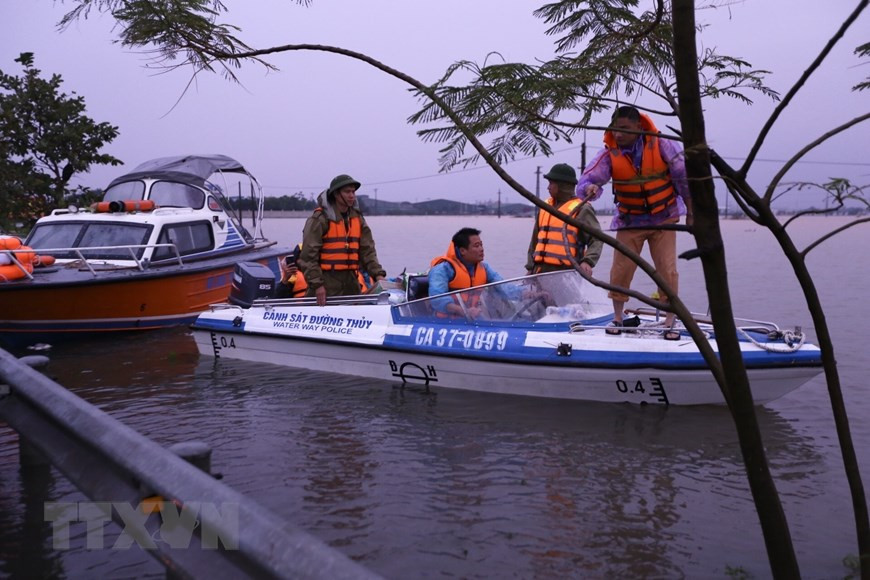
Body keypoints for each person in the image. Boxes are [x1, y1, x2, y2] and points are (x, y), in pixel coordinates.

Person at [577, 105, 693, 339]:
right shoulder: (609, 153)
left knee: (667, 269)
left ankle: (670, 320)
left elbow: (683, 178)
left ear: (639, 127)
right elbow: (589, 179)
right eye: (615, 129)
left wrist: (691, 212)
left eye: (625, 129)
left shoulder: (663, 145)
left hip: (664, 219)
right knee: (621, 270)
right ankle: (618, 317)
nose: (619, 134)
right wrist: (590, 188)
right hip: (630, 220)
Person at [298, 174, 386, 306]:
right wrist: (317, 285)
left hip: (351, 283)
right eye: (347, 192)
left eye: (353, 192)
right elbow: (308, 256)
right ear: (336, 194)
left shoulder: (358, 219)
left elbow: (368, 252)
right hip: (326, 282)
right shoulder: (319, 219)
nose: (352, 195)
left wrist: (378, 275)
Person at [525, 162, 603, 276]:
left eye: (551, 183)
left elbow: (597, 239)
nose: (548, 187)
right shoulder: (545, 207)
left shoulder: (582, 209)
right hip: (539, 272)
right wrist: (530, 267)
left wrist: (588, 261)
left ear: (563, 186)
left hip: (567, 274)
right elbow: (534, 242)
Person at [428, 227, 505, 318]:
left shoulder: (484, 268)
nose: (481, 249)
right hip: (445, 322)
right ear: (462, 251)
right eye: (476, 246)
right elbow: (437, 298)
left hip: (472, 318)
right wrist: (463, 311)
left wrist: (523, 293)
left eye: (481, 245)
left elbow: (503, 286)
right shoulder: (443, 269)